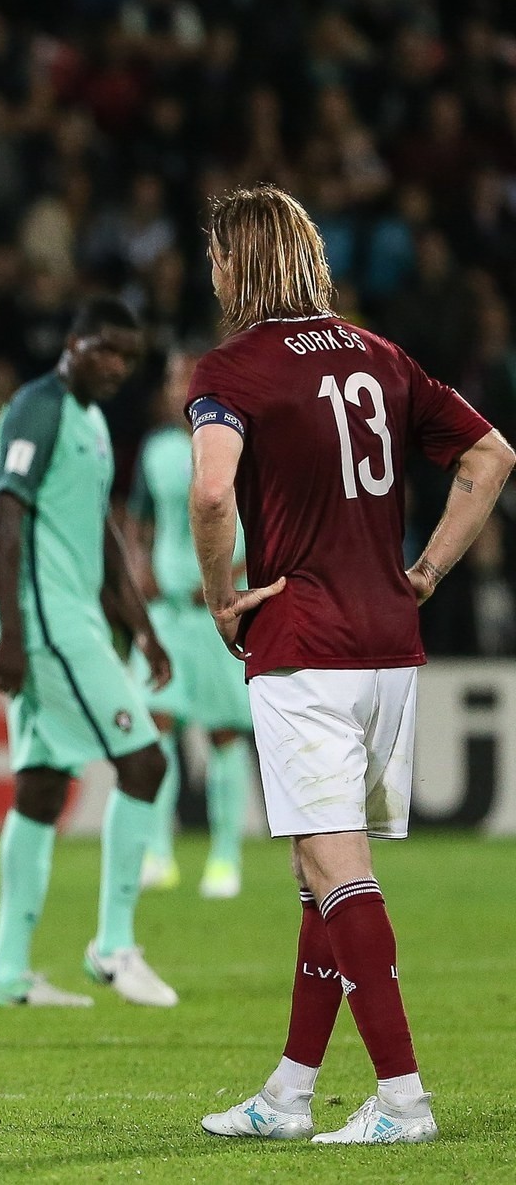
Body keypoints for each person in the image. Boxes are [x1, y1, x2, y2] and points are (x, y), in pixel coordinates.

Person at [191, 185, 512, 1145]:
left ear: (240, 261)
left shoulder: (234, 368)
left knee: (339, 870)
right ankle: (290, 1092)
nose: (210, 269)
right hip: (389, 649)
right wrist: (425, 569)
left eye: (216, 254)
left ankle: (403, 1099)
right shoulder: (379, 354)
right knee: (316, 869)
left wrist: (221, 595)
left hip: (304, 645)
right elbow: (490, 455)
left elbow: (212, 495)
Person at [0, 297, 179, 1010]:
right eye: (106, 349)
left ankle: (7, 972)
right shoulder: (40, 407)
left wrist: (145, 626)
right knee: (145, 759)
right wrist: (11, 629)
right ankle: (114, 945)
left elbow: (101, 536)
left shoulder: (93, 423)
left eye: (128, 356)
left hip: (69, 616)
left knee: (40, 788)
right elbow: (5, 515)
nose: (117, 366)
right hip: (44, 619)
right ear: (73, 342)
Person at [126, 351, 254, 899]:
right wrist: (138, 566)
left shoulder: (245, 445)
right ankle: (159, 851)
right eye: (174, 376)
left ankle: (226, 856)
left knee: (223, 733)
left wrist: (240, 578)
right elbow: (136, 520)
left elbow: (266, 522)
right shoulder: (156, 451)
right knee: (158, 725)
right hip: (169, 610)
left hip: (221, 609)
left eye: (188, 374)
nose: (179, 384)